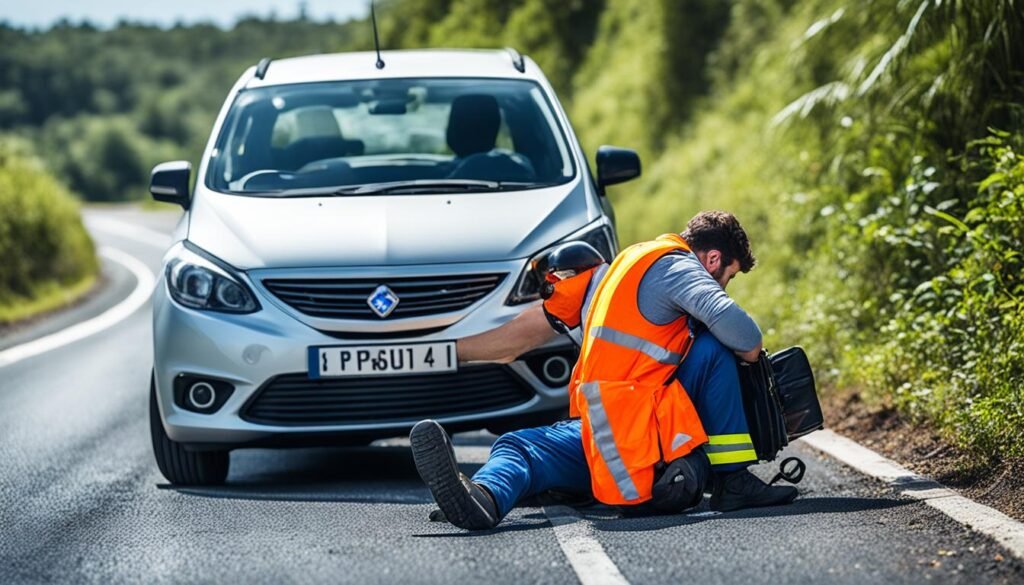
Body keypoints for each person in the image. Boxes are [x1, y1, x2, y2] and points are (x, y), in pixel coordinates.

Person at [410, 211, 797, 530]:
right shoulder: (677, 267)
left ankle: (486, 497)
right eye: (728, 276)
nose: (724, 285)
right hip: (642, 436)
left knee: (518, 447)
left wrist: (435, 350)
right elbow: (746, 336)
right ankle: (733, 480)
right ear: (713, 259)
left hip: (603, 431)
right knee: (717, 346)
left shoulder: (623, 268)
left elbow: (520, 335)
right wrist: (748, 358)